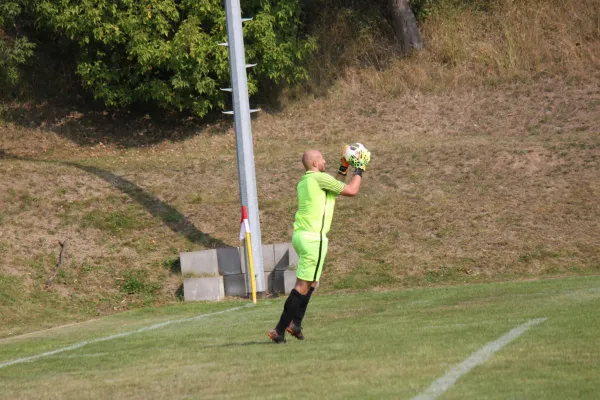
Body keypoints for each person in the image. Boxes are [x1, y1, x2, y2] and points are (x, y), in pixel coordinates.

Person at [268, 146, 370, 343]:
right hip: (314, 238)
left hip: (302, 236)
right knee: (302, 285)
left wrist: (344, 167)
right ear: (315, 163)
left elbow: (334, 186)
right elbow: (352, 190)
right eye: (322, 159)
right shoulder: (318, 178)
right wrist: (360, 168)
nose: (325, 162)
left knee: (312, 282)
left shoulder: (306, 181)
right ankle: (279, 330)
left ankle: (295, 324)